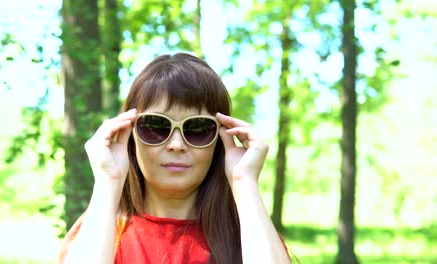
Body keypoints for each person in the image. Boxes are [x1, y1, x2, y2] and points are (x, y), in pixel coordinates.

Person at [56, 53, 291, 264]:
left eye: (198, 129)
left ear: (220, 140)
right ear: (130, 135)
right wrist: (108, 182)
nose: (177, 145)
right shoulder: (100, 228)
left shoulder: (251, 234)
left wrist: (244, 182)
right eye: (156, 126)